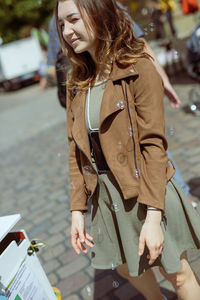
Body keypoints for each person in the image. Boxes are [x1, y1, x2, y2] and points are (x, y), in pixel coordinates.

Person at [56, 1, 200, 299]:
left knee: (176, 271)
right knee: (122, 266)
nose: (67, 31)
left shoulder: (138, 66)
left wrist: (152, 217)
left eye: (73, 20)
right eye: (61, 25)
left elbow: (153, 146)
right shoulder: (77, 80)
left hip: (146, 186)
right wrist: (77, 210)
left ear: (98, 14)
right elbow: (76, 149)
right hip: (106, 195)